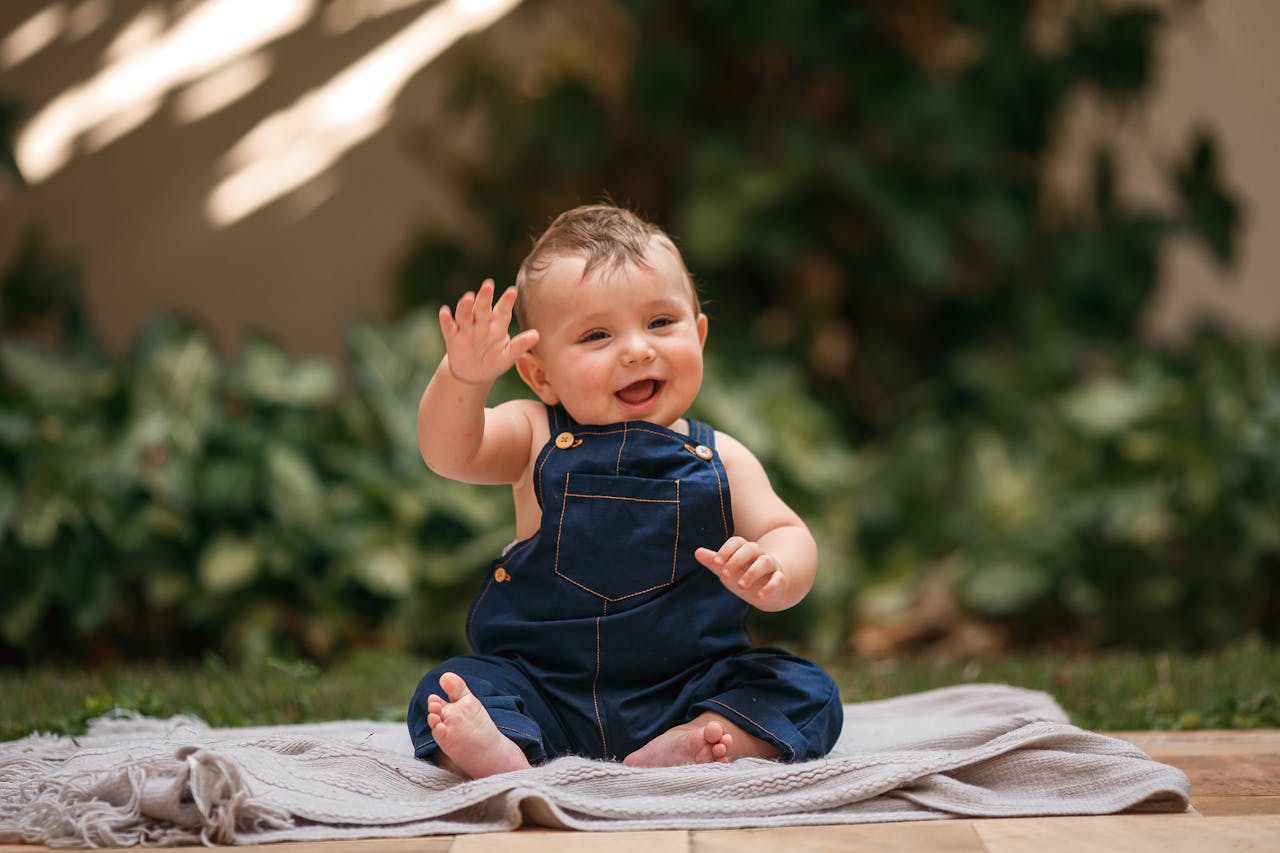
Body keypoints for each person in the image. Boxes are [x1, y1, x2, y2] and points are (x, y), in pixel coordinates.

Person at [408, 204, 843, 779]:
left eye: (661, 323)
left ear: (700, 334)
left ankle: (700, 740)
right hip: (543, 685)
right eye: (596, 335)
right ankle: (506, 751)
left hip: (689, 685)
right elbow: (450, 451)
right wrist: (464, 379)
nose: (637, 349)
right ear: (540, 374)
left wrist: (775, 570)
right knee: (448, 691)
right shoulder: (534, 432)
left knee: (808, 690)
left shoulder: (722, 458)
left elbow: (787, 532)